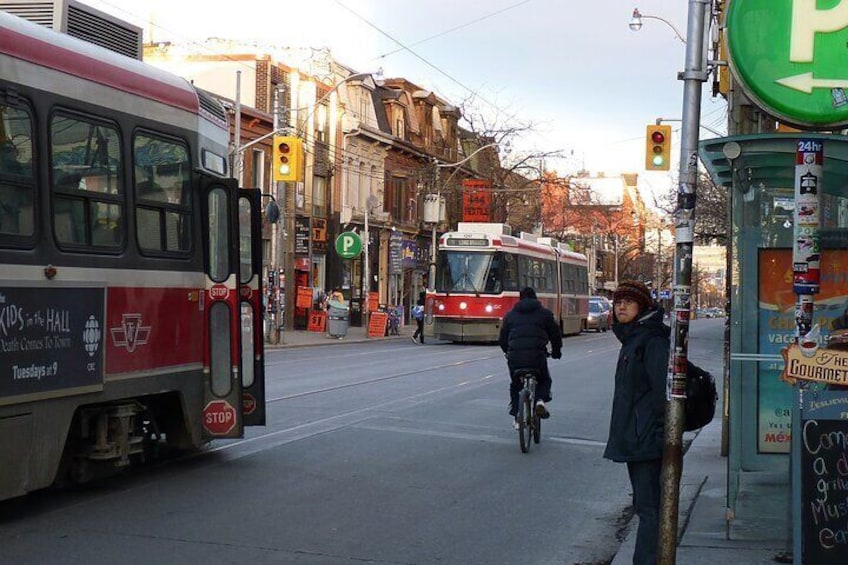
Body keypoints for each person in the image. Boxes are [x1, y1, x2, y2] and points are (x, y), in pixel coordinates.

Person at [604, 280, 670, 565]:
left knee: (649, 508)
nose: (621, 306)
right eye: (619, 301)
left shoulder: (650, 341)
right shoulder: (633, 338)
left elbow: (661, 394)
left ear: (642, 307)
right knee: (645, 505)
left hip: (646, 438)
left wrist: (652, 432)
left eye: (629, 302)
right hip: (638, 436)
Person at [498, 287, 562, 427]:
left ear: (520, 299)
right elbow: (555, 335)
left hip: (515, 358)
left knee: (516, 384)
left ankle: (516, 415)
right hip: (537, 356)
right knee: (544, 379)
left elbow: (503, 338)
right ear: (535, 298)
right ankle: (540, 400)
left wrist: (507, 352)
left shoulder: (510, 315)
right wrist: (556, 352)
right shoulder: (545, 314)